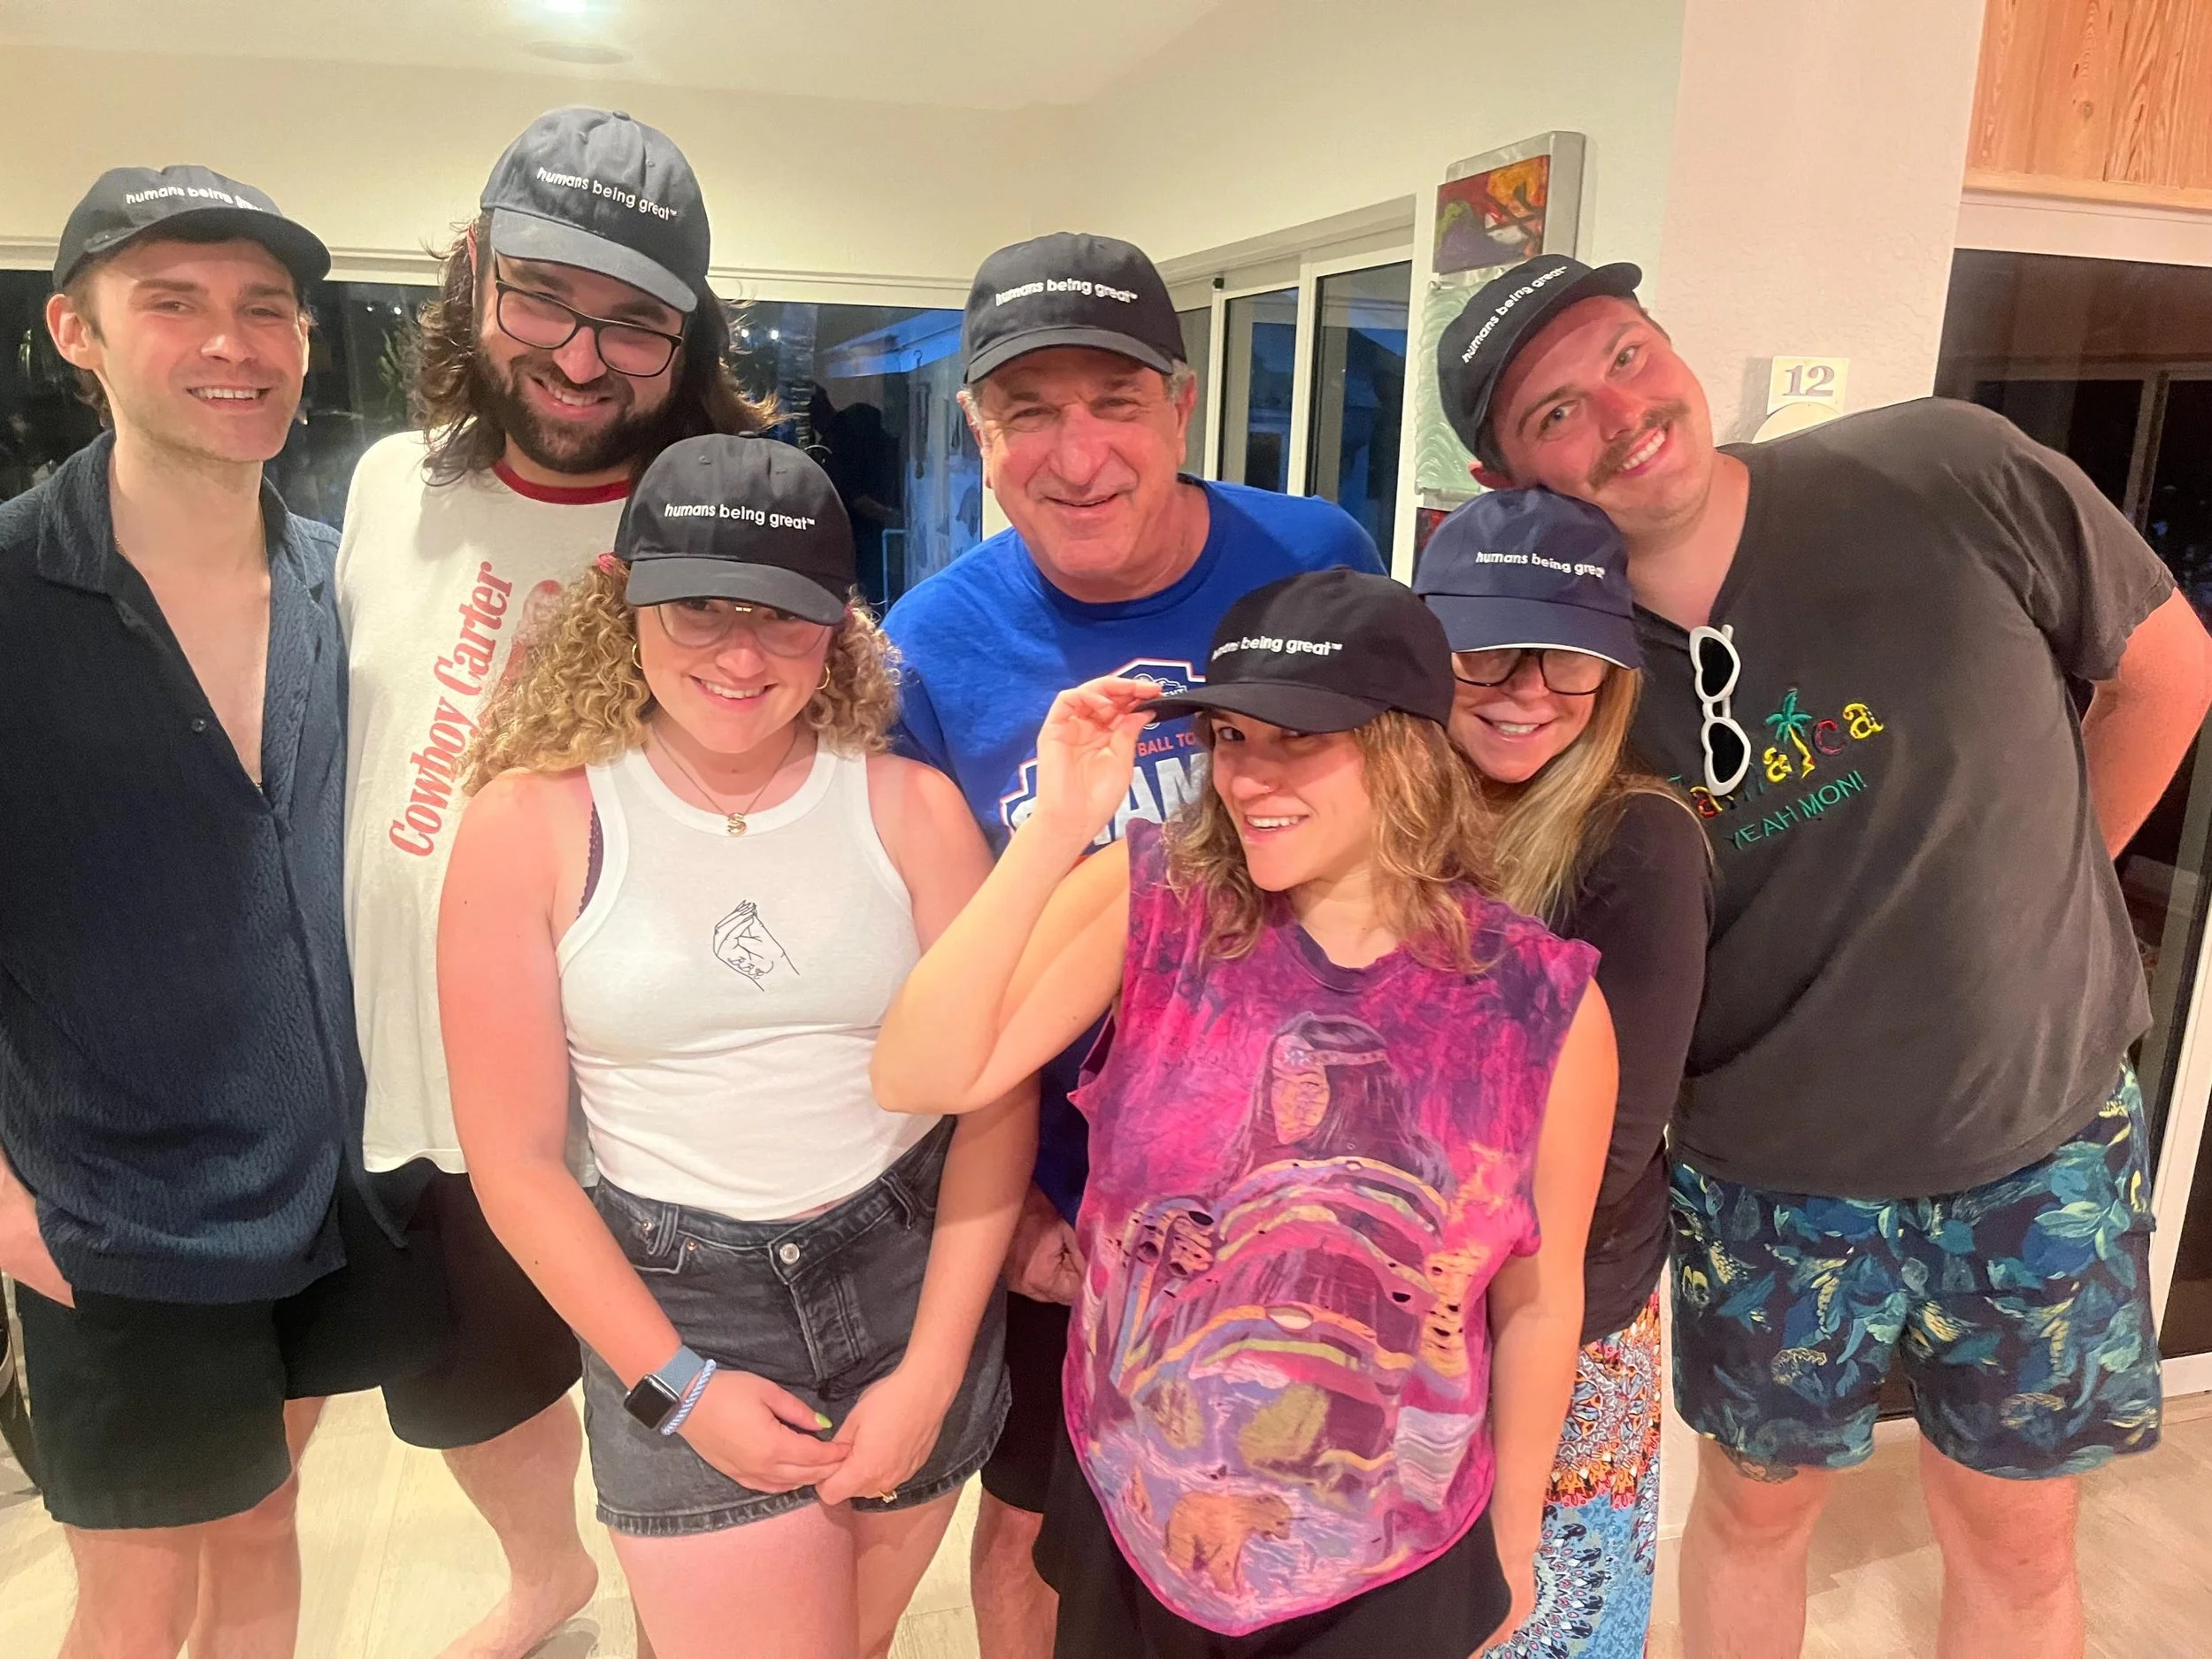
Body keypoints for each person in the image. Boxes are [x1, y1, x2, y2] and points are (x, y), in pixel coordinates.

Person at [1437, 253, 2212, 1659]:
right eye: (1556, 411)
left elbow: (2168, 669)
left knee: (2017, 1539)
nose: (1621, 411)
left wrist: (2053, 885)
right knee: (1753, 1514)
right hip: (1766, 1176)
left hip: (2036, 1140)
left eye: (1626, 354)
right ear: (1509, 476)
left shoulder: (1947, 467)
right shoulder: (1566, 671)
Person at [872, 568, 1617, 1658]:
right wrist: (1056, 828)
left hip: (1390, 1548)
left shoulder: (1537, 1001)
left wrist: (1512, 1537)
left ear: (1407, 750)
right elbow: (920, 1074)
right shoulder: (1151, 902)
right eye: (1230, 737)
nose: (1248, 777)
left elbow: (1539, 1302)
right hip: (1138, 1510)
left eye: (1297, 739)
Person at [436, 433, 1029, 1659]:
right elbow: (516, 1162)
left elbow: (993, 1098)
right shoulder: (532, 823)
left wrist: (930, 1371)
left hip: (908, 1276)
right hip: (676, 1297)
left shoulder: (910, 810)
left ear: (839, 626)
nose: (743, 656)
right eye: (700, 609)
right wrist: (677, 1384)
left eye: (783, 617)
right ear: (624, 599)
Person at [882, 229, 1384, 1658]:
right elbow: (931, 969)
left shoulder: (1317, 559)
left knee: (1284, 1516)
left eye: (1115, 402)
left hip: (1302, 1181)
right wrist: (1012, 1214)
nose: (1079, 452)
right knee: (1039, 1531)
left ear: (1181, 405)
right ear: (980, 432)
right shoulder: (929, 648)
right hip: (1073, 1202)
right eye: (1029, 410)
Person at [335, 106, 770, 1657]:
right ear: (475, 274)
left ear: (689, 337)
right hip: (407, 1070)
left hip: (644, 1108)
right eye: (545, 299)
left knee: (684, 1438)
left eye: (635, 322)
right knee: (469, 1391)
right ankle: (545, 1573)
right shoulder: (389, 485)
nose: (583, 359)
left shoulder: (717, 525)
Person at [0, 166, 446, 1659]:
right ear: (76, 330)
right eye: (173, 302)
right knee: (134, 1598)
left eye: (266, 308)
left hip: (324, 1191)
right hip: (115, 1211)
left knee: (264, 1525)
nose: (232, 342)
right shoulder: (12, 594)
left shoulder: (339, 587)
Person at [1415, 488, 1710, 1657]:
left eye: (1570, 659)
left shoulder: (1636, 837)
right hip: (1400, 1310)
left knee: (1538, 1621)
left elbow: (1614, 1144)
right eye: (1487, 652)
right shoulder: (1391, 813)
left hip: (1559, 1314)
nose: (1528, 692)